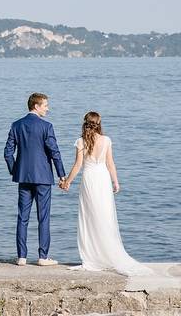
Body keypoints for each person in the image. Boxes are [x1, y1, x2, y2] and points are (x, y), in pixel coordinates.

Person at [59, 111, 151, 275]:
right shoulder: (106, 140)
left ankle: (92, 257)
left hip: (89, 179)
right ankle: (105, 254)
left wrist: (67, 182)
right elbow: (110, 163)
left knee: (89, 217)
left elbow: (78, 165)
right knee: (104, 216)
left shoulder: (81, 141)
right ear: (99, 123)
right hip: (102, 179)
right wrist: (115, 181)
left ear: (85, 123)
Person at [4, 92, 67, 266]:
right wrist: (62, 175)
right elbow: (54, 152)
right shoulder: (46, 126)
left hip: (23, 177)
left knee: (22, 217)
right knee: (43, 217)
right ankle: (42, 257)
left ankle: (21, 257)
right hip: (43, 177)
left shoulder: (16, 125)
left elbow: (8, 153)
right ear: (36, 106)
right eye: (45, 105)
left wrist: (15, 170)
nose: (48, 108)